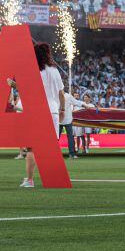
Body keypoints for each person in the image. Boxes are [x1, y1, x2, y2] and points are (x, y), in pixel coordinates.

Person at [21, 42, 66, 188]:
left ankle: (29, 180)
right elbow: (61, 95)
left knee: (31, 148)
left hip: (38, 111)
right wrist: (63, 110)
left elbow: (27, 91)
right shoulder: (54, 71)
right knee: (52, 147)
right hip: (53, 110)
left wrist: (13, 85)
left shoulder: (34, 71)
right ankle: (55, 178)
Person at [61, 86, 79, 159]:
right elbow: (77, 102)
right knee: (70, 137)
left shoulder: (56, 95)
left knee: (57, 137)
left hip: (61, 120)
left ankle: (71, 154)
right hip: (66, 120)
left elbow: (76, 102)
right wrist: (84, 105)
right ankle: (72, 154)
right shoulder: (68, 96)